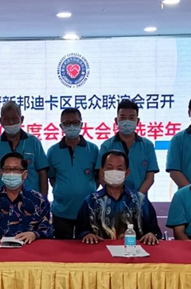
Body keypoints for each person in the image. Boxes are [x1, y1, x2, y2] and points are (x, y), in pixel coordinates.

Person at [76, 150, 161, 245]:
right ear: (102, 171)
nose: (114, 172)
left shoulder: (141, 201)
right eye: (110, 168)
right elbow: (80, 231)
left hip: (133, 251)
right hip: (99, 251)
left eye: (119, 169)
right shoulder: (90, 201)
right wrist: (86, 235)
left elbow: (154, 232)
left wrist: (151, 235)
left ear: (127, 172)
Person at [0, 152, 53, 245]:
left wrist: (34, 234)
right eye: (7, 169)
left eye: (16, 169)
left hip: (29, 248)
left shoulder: (39, 201)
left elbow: (48, 231)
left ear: (24, 174)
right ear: (1, 173)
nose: (11, 173)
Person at [47, 108, 100, 239]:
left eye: (75, 122)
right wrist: (63, 190)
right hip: (61, 212)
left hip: (88, 211)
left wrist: (88, 188)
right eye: (67, 123)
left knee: (88, 246)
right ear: (61, 126)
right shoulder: (53, 151)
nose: (71, 126)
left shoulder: (93, 149)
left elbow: (98, 177)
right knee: (62, 248)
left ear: (81, 124)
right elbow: (52, 178)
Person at [97, 100, 159, 195]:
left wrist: (137, 198)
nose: (127, 121)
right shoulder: (107, 146)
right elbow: (101, 175)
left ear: (137, 121)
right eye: (123, 117)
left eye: (131, 118)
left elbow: (150, 177)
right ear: (116, 121)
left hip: (140, 199)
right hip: (112, 199)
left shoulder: (147, 145)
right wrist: (115, 196)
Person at [0, 101, 48, 195]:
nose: (11, 123)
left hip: (31, 198)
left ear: (22, 119)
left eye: (14, 119)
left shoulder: (33, 142)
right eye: (6, 119)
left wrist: (43, 199)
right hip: (2, 198)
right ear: (0, 120)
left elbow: (43, 173)